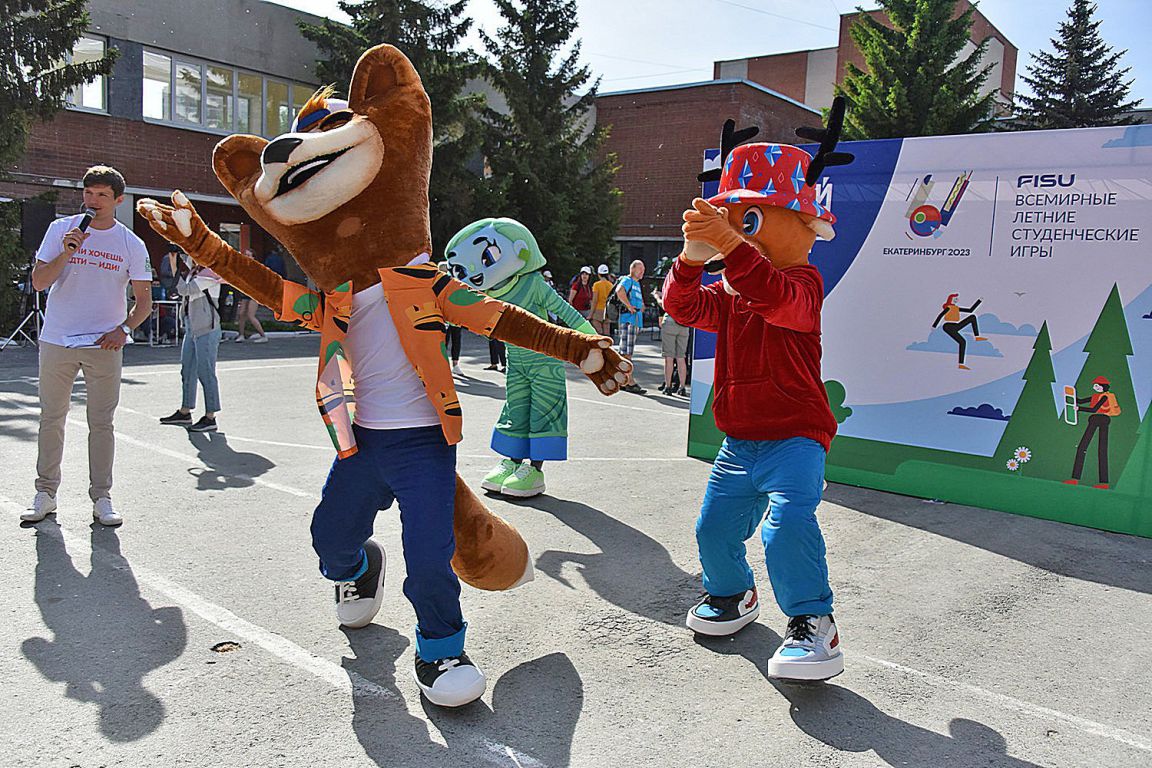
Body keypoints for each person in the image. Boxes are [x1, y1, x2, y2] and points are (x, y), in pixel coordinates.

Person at [668, 121, 849, 681]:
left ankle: (814, 623)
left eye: (749, 222)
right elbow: (681, 308)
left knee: (786, 526)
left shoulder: (803, 283)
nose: (738, 234)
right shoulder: (729, 295)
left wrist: (729, 246)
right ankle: (732, 594)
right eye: (732, 220)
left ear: (806, 226)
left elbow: (775, 296)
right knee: (713, 529)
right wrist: (690, 259)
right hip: (739, 441)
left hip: (796, 437)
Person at [21, 165, 152, 527]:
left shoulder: (131, 243)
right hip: (58, 339)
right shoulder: (61, 230)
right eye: (89, 193)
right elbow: (39, 282)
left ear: (118, 200)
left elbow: (144, 303)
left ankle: (102, 497)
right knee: (51, 418)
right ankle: (46, 493)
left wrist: (123, 329)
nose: (93, 201)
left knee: (102, 423)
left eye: (102, 195)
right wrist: (66, 253)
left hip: (103, 345)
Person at [159, 254, 224, 432]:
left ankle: (210, 416)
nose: (192, 256)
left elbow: (185, 290)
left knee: (206, 372)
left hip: (207, 328)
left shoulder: (210, 274)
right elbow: (185, 253)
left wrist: (173, 265)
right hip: (191, 327)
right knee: (187, 370)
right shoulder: (195, 270)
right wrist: (175, 252)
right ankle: (185, 411)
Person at [1065, 376, 1120, 489]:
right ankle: (1074, 479)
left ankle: (1103, 483)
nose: (1095, 387)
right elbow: (1081, 401)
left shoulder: (1105, 397)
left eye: (1097, 385)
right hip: (1095, 419)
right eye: (1094, 385)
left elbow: (1094, 409)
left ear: (1103, 386)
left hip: (1102, 419)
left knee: (1101, 449)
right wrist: (1071, 396)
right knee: (1082, 447)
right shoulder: (1095, 396)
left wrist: (1079, 409)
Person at [931, 293, 987, 370]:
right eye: (954, 299)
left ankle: (977, 337)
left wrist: (979, 301)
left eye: (956, 299)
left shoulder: (956, 308)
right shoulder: (948, 308)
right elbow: (940, 315)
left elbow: (970, 310)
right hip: (948, 326)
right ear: (950, 300)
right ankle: (961, 364)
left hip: (956, 325)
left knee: (972, 317)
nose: (956, 300)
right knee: (963, 341)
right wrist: (934, 326)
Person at [615, 259, 646, 394]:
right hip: (629, 320)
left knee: (626, 351)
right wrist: (629, 306)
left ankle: (623, 379)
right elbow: (619, 291)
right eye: (640, 269)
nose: (642, 272)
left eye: (643, 269)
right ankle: (629, 381)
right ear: (632, 269)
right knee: (627, 352)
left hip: (634, 321)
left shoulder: (636, 283)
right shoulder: (628, 280)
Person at [652, 283, 689, 396]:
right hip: (684, 324)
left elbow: (663, 304)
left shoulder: (672, 288)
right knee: (681, 357)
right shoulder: (688, 292)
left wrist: (657, 296)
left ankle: (668, 387)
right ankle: (682, 387)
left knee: (669, 358)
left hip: (670, 322)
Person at [234, 248, 268, 344]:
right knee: (241, 314)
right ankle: (241, 335)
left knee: (250, 315)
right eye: (245, 255)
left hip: (254, 293)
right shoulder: (243, 266)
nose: (246, 257)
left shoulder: (257, 267)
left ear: (253, 257)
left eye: (249, 255)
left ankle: (263, 335)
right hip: (245, 292)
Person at [590, 264, 614, 336]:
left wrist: (591, 314)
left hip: (598, 310)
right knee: (606, 333)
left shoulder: (596, 285)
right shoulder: (611, 285)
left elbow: (595, 300)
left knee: (598, 333)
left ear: (599, 274)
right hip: (607, 311)